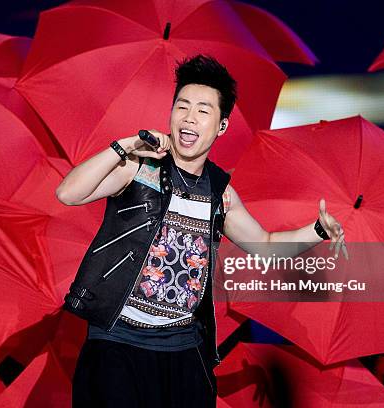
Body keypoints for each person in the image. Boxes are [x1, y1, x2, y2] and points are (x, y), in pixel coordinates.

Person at [56, 54, 347, 407]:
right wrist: (125, 146)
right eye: (183, 106)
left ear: (221, 126)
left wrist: (317, 230)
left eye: (203, 110)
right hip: (116, 343)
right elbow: (68, 193)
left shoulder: (220, 192)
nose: (189, 117)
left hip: (182, 350)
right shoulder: (138, 168)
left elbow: (266, 245)